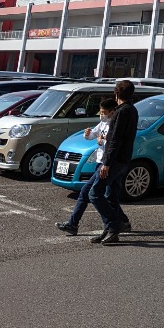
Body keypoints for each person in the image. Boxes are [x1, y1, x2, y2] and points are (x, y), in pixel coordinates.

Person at [55, 96, 117, 236]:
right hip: (100, 163)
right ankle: (73, 224)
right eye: (100, 112)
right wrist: (87, 134)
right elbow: (93, 135)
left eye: (104, 112)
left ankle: (113, 224)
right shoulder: (103, 123)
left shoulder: (114, 125)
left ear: (112, 112)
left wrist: (101, 141)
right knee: (98, 194)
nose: (101, 115)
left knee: (95, 195)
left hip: (106, 164)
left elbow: (111, 144)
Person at [88, 79, 139, 246]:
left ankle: (113, 225)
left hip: (114, 160)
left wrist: (106, 163)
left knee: (95, 193)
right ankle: (108, 229)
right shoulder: (132, 110)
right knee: (111, 194)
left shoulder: (120, 112)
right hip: (124, 158)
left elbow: (115, 139)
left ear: (116, 94)